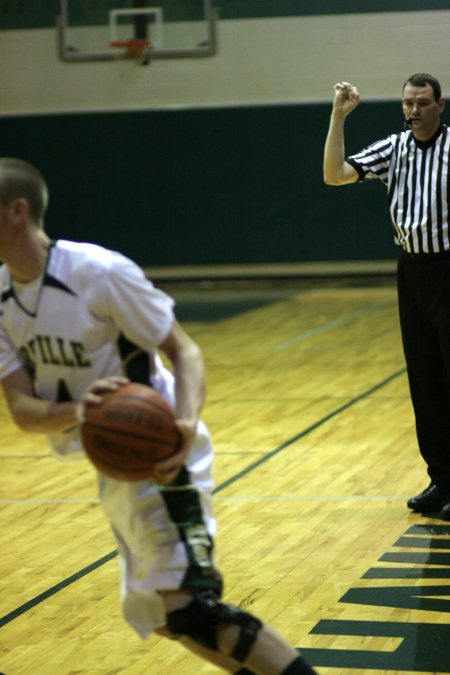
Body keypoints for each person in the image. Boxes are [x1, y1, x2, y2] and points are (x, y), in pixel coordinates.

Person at [0, 157, 317, 675]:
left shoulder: (97, 272)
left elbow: (184, 352)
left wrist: (186, 421)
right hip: (114, 465)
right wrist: (78, 410)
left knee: (191, 609)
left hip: (165, 454)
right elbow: (23, 411)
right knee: (168, 620)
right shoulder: (1, 300)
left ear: (17, 211)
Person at [323, 73, 450, 519]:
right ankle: (441, 480)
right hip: (412, 272)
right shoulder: (394, 148)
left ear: (440, 105)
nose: (413, 110)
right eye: (407, 103)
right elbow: (335, 175)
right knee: (426, 380)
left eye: (421, 102)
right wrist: (338, 117)